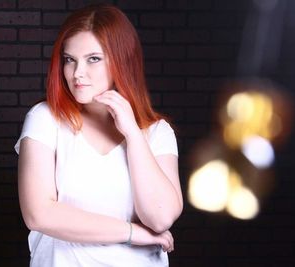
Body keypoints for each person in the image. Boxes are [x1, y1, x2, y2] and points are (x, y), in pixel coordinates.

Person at [14, 4, 183, 267]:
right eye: (70, 60)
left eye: (93, 59)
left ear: (121, 61)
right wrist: (132, 233)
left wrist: (132, 133)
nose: (77, 73)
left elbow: (160, 218)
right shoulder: (45, 118)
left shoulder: (157, 132)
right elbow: (39, 214)